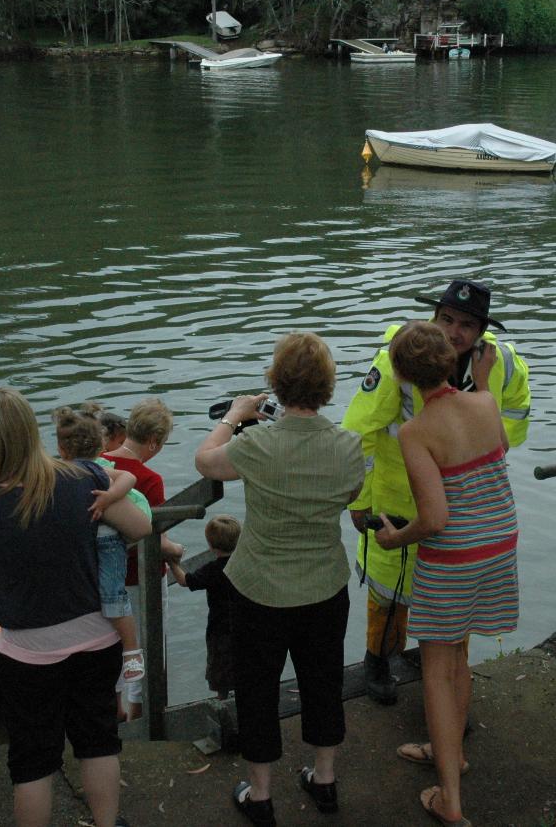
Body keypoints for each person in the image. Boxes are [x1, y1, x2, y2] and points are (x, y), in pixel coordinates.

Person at [0, 387, 151, 827]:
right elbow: (138, 528)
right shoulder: (83, 479)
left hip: (28, 651)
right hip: (97, 639)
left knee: (33, 762)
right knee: (99, 742)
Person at [195, 332, 364, 827]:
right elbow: (350, 494)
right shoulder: (350, 447)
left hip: (259, 589)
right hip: (324, 586)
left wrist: (236, 415)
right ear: (327, 386)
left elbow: (206, 460)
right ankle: (325, 780)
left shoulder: (257, 445)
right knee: (323, 682)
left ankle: (261, 794)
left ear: (276, 383)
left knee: (258, 689)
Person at [344, 278, 530, 705]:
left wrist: (474, 448)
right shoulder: (401, 354)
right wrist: (360, 498)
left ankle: (446, 672)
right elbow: (361, 430)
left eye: (466, 324)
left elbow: (515, 415)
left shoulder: (501, 362)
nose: (453, 332)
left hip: (464, 505)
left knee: (454, 598)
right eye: (446, 319)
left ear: (482, 330)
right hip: (398, 494)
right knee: (389, 587)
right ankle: (379, 659)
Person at [373, 321, 519, 827]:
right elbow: (499, 444)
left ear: (400, 374)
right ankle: (450, 752)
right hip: (500, 543)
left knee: (437, 665)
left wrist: (394, 538)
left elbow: (435, 519)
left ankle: (450, 801)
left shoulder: (416, 432)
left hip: (455, 556)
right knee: (458, 651)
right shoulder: (484, 402)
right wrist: (481, 381)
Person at [52, 407, 151, 685]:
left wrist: (108, 498)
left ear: (61, 447)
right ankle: (130, 650)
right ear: (100, 444)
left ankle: (132, 649)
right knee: (111, 596)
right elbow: (129, 478)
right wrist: (110, 497)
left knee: (113, 596)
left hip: (106, 542)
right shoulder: (94, 470)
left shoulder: (90, 472)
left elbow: (127, 479)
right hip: (103, 542)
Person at [102, 396, 185, 720]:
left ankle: (112, 716)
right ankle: (139, 720)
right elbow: (156, 540)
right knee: (142, 653)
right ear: (153, 441)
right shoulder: (149, 480)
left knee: (110, 651)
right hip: (138, 581)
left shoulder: (98, 462)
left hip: (103, 579)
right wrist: (177, 551)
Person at [167, 514, 240, 699]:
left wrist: (172, 563)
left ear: (211, 546)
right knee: (243, 668)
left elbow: (185, 580)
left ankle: (222, 701)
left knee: (220, 671)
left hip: (219, 629)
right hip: (244, 624)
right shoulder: (244, 564)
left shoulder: (212, 570)